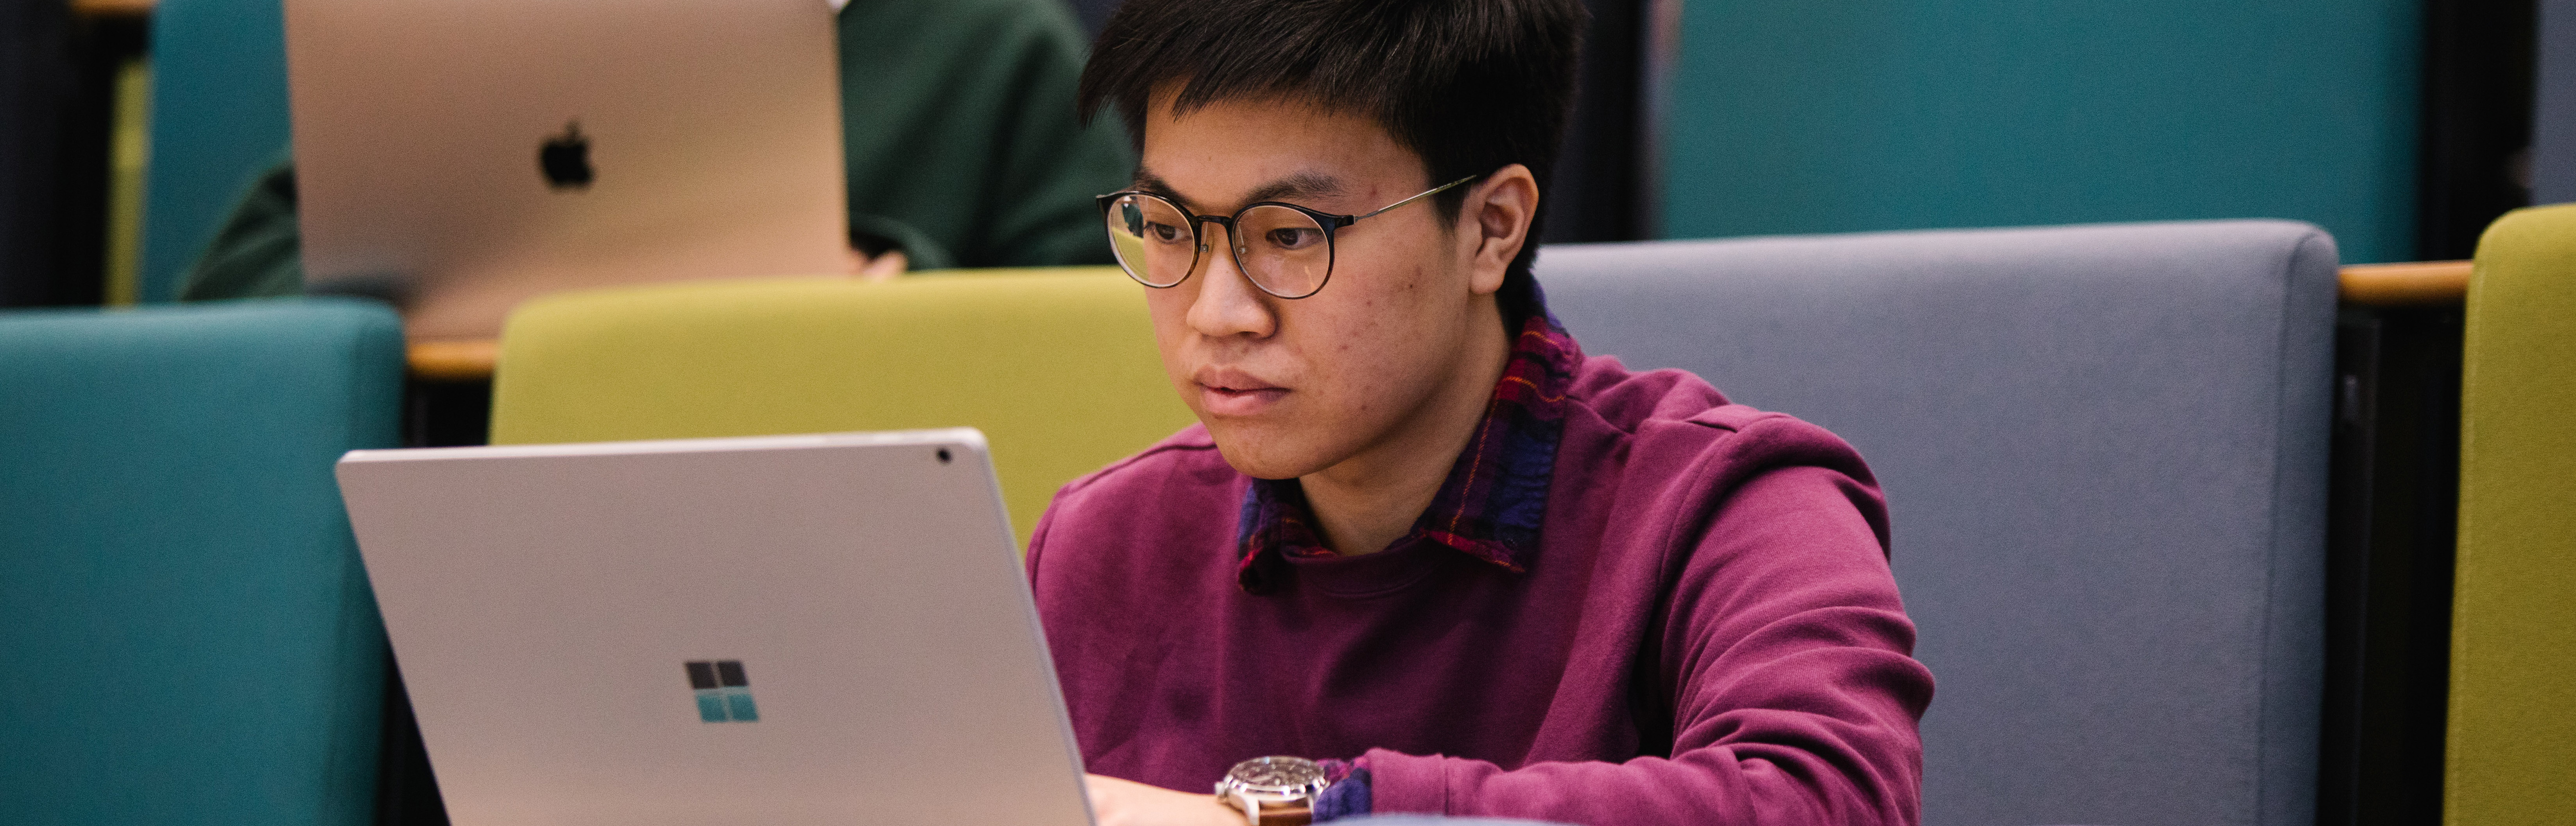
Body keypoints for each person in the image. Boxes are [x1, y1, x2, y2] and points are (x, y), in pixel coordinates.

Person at [1027, 2, 1936, 824]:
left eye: (1291, 235)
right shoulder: (1098, 540)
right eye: (1167, 226)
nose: (1216, 312)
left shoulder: (1726, 507)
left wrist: (1303, 814)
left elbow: (1831, 800)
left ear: (1491, 227)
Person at [179, 0, 1131, 300]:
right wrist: (448, 280)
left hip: (824, 507)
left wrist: (883, 283)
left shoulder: (997, 41)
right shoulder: (484, 32)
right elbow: (235, 291)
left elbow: (1093, 327)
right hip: (484, 492)